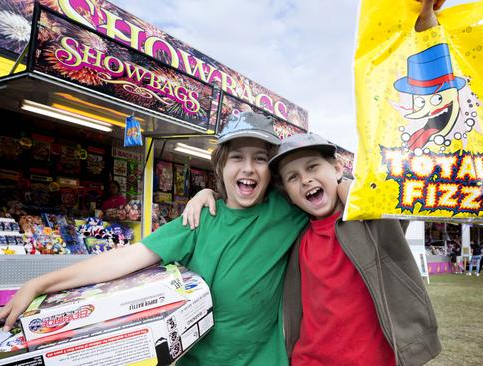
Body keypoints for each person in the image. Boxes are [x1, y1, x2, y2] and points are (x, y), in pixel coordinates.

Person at [0, 111, 309, 366]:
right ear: (221, 166)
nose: (249, 167)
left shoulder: (287, 211)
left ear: (272, 170)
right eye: (237, 157)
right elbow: (125, 258)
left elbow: (331, 195)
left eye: (260, 158)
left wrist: (340, 186)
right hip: (196, 360)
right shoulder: (199, 218)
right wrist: (38, 284)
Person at [185, 133, 441, 365]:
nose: (305, 179)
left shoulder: (370, 222)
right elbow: (247, 205)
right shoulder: (295, 233)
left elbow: (397, 193)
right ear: (287, 192)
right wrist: (207, 193)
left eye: (313, 167)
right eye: (293, 177)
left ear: (338, 167)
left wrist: (347, 188)